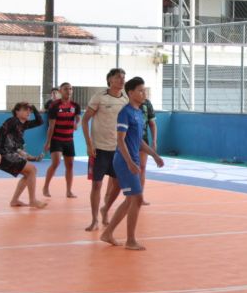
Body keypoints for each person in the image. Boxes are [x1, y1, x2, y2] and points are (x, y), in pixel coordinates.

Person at [99, 77, 164, 250]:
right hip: (124, 160)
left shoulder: (139, 112)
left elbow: (139, 141)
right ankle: (130, 240)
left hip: (133, 159)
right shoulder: (125, 112)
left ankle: (108, 233)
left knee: (133, 200)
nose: (144, 93)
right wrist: (129, 162)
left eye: (144, 90)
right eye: (141, 90)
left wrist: (154, 155)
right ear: (131, 93)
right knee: (135, 199)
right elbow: (120, 141)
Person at [81, 68, 127, 231]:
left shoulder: (126, 100)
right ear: (109, 80)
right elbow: (85, 120)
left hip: (118, 150)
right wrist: (89, 143)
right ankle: (94, 220)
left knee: (119, 184)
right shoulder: (99, 97)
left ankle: (105, 209)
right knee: (97, 185)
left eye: (123, 77)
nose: (122, 80)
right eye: (118, 77)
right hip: (99, 149)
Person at [0, 102, 46, 209]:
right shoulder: (12, 121)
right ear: (17, 112)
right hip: (5, 155)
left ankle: (15, 200)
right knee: (32, 170)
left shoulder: (24, 124)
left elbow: (40, 121)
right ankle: (32, 200)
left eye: (29, 110)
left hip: (10, 153)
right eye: (25, 109)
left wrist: (34, 107)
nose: (28, 112)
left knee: (29, 173)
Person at [42, 82, 81, 199]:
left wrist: (76, 123)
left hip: (69, 139)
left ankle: (69, 191)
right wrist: (48, 142)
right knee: (56, 162)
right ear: (60, 91)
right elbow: (51, 126)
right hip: (56, 139)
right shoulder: (54, 105)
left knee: (70, 165)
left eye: (70, 89)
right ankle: (45, 187)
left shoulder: (75, 105)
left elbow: (78, 117)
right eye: (65, 89)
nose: (68, 91)